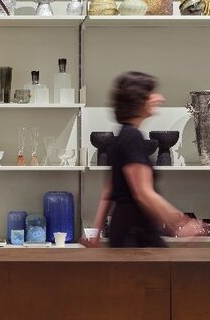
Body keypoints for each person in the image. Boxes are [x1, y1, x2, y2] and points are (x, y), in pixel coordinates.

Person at [84, 72, 203, 248]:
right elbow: (144, 194)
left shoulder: (122, 136)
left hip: (127, 231)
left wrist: (96, 232)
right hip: (135, 234)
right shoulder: (132, 138)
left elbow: (109, 190)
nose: (159, 98)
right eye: (151, 93)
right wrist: (182, 223)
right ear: (138, 100)